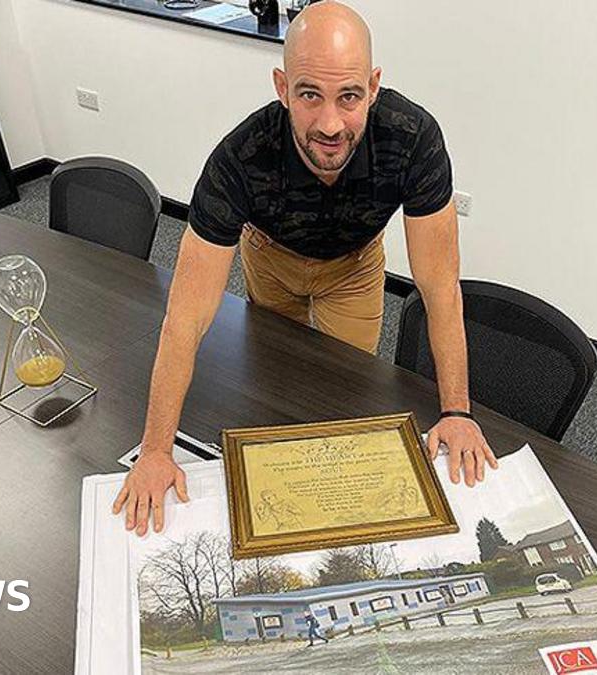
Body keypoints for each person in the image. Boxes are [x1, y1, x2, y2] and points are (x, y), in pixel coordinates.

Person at [113, 1, 498, 536]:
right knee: (274, 385)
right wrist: (156, 449)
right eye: (309, 95)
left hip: (355, 269)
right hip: (270, 260)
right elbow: (186, 316)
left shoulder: (413, 139)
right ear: (281, 86)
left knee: (344, 399)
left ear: (374, 85)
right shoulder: (240, 159)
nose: (330, 124)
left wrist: (457, 412)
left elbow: (439, 288)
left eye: (349, 96)